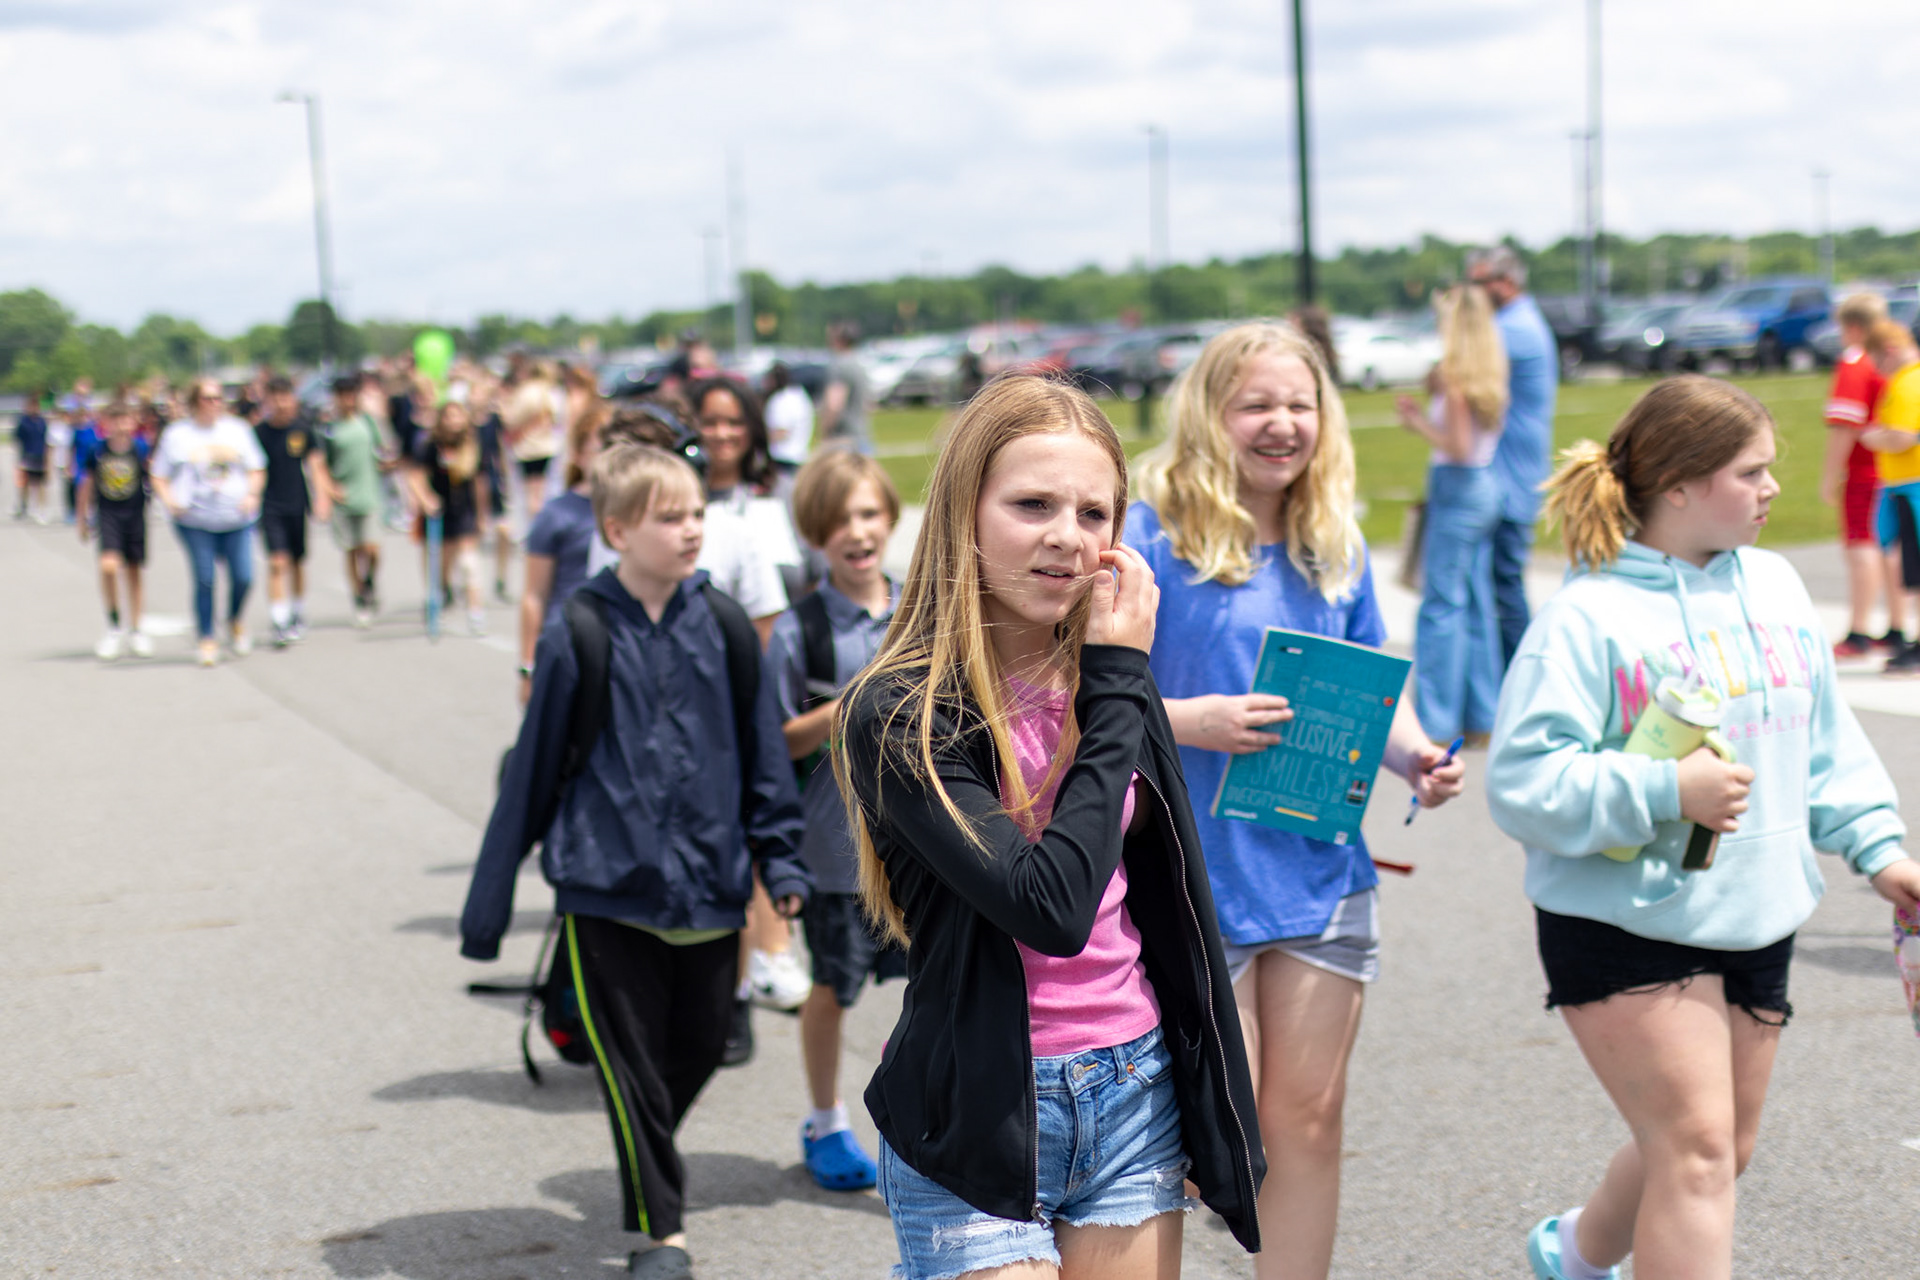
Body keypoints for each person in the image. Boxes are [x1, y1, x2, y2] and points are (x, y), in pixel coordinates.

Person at [1486, 375, 1920, 1280]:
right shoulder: (1586, 617)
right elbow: (1523, 786)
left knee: (1721, 1146)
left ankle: (1576, 1254)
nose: (1771, 489)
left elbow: (1825, 740)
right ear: (1679, 484)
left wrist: (1881, 851)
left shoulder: (1777, 584)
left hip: (1758, 910)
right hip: (1623, 924)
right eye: (1750, 471)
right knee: (1697, 1151)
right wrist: (1663, 788)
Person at [838, 375, 1266, 1280]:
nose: (1068, 536)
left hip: (1133, 1089)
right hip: (980, 1108)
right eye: (1032, 504)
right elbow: (1052, 907)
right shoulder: (902, 711)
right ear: (964, 513)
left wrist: (1213, 1101)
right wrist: (1117, 681)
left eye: (1093, 512)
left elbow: (1172, 903)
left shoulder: (1111, 682)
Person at [1125, 324, 1464, 1280]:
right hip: (1190, 881)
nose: (1282, 423)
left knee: (1307, 1119)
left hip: (1318, 874)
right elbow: (1082, 698)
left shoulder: (1334, 542)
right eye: (1257, 405)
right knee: (1205, 1137)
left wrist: (1415, 756)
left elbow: (1369, 693)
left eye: (1299, 404)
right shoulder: (1148, 536)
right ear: (1210, 414)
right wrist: (1191, 721)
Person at [461, 442, 809, 1280]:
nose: (691, 530)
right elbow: (533, 774)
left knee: (701, 1046)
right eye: (669, 517)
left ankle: (649, 1161)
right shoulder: (578, 630)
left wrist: (783, 862)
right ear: (617, 530)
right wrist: (487, 908)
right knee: (631, 1069)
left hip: (713, 886)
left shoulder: (725, 624)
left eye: (697, 514)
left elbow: (763, 755)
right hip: (605, 892)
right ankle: (663, 1236)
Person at [767, 449, 904, 1192]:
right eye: (839, 520)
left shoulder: (920, 609)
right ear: (816, 536)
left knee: (939, 988)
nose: (858, 531)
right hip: (835, 854)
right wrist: (846, 706)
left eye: (869, 513)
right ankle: (825, 1119)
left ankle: (931, 1120)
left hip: (923, 847)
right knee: (834, 986)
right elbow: (775, 741)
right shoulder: (800, 632)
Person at [1396, 283, 1508, 744]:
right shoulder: (1487, 377)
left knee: (1441, 607)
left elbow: (1457, 447)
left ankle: (1437, 721)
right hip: (1482, 486)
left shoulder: (1459, 383)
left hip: (1459, 487)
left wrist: (1418, 423)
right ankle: (1482, 715)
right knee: (1476, 606)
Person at [1468, 245, 1560, 667]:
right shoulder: (1518, 321)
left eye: (1478, 283)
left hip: (1511, 479)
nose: (1472, 293)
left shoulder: (1512, 328)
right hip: (1513, 474)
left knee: (1504, 588)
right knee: (1501, 585)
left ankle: (1523, 671)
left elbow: (1453, 373)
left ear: (1506, 283)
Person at [151, 380, 266, 667]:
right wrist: (169, 500)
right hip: (195, 520)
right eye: (208, 398)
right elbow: (158, 474)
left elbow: (257, 468)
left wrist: (252, 494)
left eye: (218, 398)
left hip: (235, 518)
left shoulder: (238, 430)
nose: (215, 403)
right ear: (195, 401)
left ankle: (235, 619)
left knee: (244, 577)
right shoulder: (178, 434)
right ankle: (206, 637)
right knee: (205, 578)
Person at [1823, 293, 1902, 657]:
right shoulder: (1890, 359)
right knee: (1891, 548)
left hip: (1863, 470)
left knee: (1862, 547)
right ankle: (1897, 625)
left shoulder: (1855, 361)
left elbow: (1845, 425)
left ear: (1852, 327)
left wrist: (1830, 474)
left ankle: (1859, 629)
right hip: (1891, 468)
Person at [689, 376, 808, 602]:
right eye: (710, 423)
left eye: (734, 423)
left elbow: (815, 573)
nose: (722, 433)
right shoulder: (681, 500)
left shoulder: (782, 492)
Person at [518, 405, 605, 704]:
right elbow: (534, 594)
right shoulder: (556, 514)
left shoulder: (635, 512)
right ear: (579, 455)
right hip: (567, 641)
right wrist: (528, 666)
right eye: (599, 448)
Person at [75, 400, 153, 660]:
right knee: (108, 566)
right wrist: (82, 517)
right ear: (106, 424)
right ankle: (114, 625)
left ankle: (137, 629)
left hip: (135, 515)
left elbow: (152, 477)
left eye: (125, 420)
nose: (121, 426)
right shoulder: (97, 450)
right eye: (115, 420)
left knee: (133, 571)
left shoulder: (140, 448)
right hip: (108, 514)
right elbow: (86, 483)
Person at [405, 401, 490, 636]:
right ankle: (439, 599)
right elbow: (415, 477)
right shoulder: (430, 446)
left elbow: (480, 483)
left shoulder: (472, 447)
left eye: (458, 416)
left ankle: (475, 613)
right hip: (437, 515)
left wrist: (482, 515)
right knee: (439, 568)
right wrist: (426, 499)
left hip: (464, 513)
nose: (454, 422)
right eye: (449, 417)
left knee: (470, 564)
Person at [254, 376, 325, 647]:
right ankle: (279, 618)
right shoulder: (259, 433)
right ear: (268, 400)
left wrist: (322, 498)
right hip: (270, 505)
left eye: (286, 397)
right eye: (276, 397)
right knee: (277, 561)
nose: (281, 403)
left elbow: (315, 464)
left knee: (296, 562)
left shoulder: (303, 429)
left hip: (297, 503)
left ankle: (297, 611)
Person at [318, 375, 391, 629]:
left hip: (369, 493)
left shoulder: (367, 422)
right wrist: (330, 489)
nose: (348, 400)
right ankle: (359, 596)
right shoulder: (329, 428)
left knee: (371, 548)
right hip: (344, 496)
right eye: (343, 395)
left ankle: (369, 580)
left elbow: (384, 449)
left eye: (351, 394)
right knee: (351, 549)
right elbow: (320, 464)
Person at [505, 359, 561, 518]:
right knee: (540, 491)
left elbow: (513, 419)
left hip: (527, 446)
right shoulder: (551, 391)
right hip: (546, 446)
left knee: (530, 492)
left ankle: (534, 523)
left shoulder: (526, 391)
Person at [818, 322, 873, 455]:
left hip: (842, 441)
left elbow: (834, 405)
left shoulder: (839, 365)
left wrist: (824, 433)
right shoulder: (859, 364)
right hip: (861, 437)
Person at [761, 361, 814, 478]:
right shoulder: (801, 396)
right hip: (800, 458)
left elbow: (780, 432)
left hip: (782, 461)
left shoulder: (781, 399)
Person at [13, 389, 50, 521]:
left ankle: (41, 508)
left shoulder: (42, 422)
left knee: (40, 483)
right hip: (27, 455)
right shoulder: (23, 422)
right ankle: (24, 505)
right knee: (25, 482)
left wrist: (47, 458)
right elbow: (18, 439)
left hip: (40, 455)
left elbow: (46, 440)